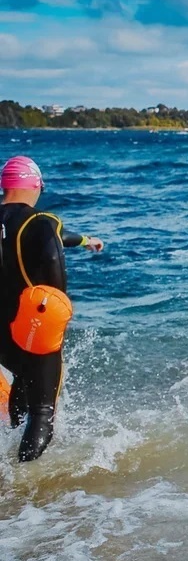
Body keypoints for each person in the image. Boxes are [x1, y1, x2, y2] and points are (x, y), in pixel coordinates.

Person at [0, 157, 100, 461]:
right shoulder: (40, 221)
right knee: (43, 414)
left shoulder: (32, 224)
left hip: (2, 331)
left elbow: (57, 237)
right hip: (30, 326)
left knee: (21, 378)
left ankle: (10, 445)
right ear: (35, 185)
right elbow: (52, 253)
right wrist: (60, 307)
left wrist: (85, 240)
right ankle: (22, 486)